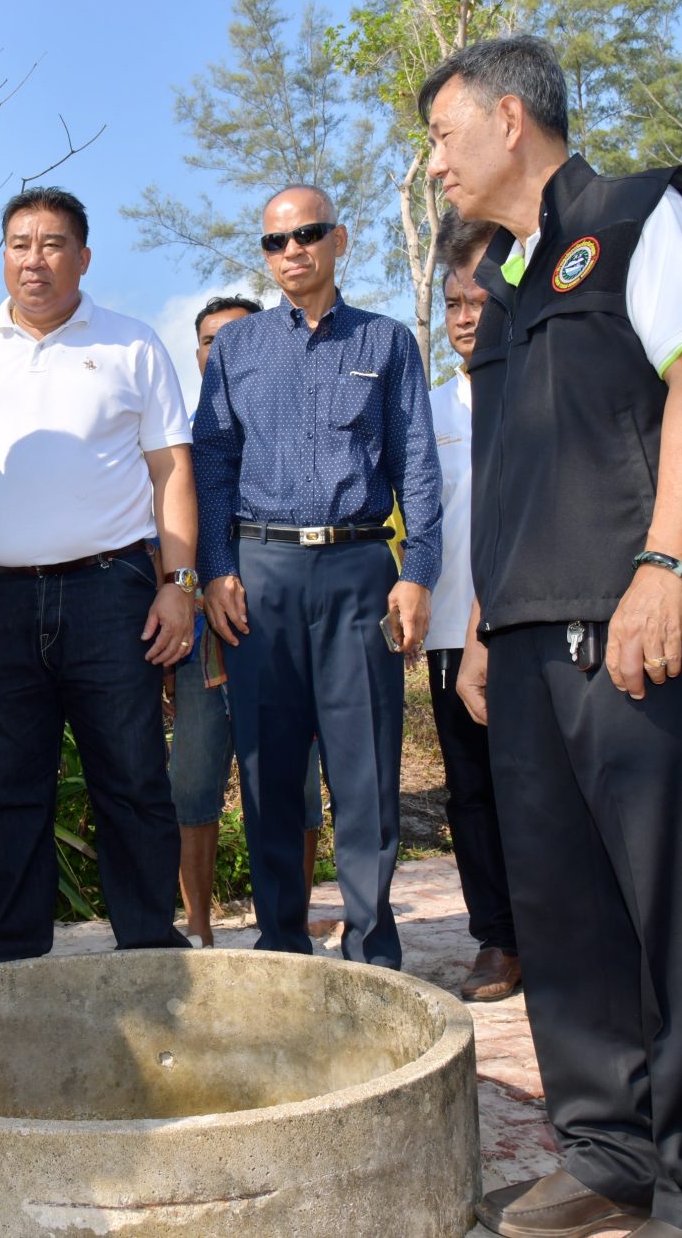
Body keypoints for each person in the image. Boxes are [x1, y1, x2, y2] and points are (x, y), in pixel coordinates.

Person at [423, 35, 682, 1238]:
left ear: (509, 119)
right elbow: (516, 475)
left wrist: (665, 566)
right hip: (521, 648)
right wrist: (478, 628)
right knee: (564, 919)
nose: (433, 164)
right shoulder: (503, 290)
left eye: (440, 134)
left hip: (637, 632)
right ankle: (607, 1150)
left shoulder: (638, 216)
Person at [0, 186, 195, 969]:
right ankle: (9, 953)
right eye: (19, 243)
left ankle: (148, 942)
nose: (32, 259)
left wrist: (180, 579)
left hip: (111, 592)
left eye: (51, 243)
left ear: (84, 256)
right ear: (3, 253)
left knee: (133, 771)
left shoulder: (134, 346)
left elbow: (172, 469)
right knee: (7, 783)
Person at [191, 184, 442, 967]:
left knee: (364, 768)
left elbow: (420, 469)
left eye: (308, 234)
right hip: (260, 576)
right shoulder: (236, 350)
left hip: (359, 569)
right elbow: (213, 465)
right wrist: (217, 570)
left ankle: (373, 949)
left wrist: (419, 571)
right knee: (266, 769)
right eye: (275, 241)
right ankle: (280, 947)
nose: (292, 249)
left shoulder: (388, 343)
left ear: (341, 239)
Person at [168, 294, 328, 946]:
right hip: (199, 643)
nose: (222, 349)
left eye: (238, 336)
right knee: (193, 788)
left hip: (285, 634)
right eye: (210, 339)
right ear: (197, 350)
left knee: (297, 787)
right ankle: (201, 928)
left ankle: (288, 921)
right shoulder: (172, 433)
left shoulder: (292, 427)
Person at [426, 209, 521, 1003]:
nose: (464, 318)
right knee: (471, 791)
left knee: (541, 785)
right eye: (453, 305)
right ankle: (497, 938)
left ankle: (561, 930)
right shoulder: (426, 412)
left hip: (530, 622)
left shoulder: (536, 386)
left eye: (478, 302)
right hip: (449, 633)